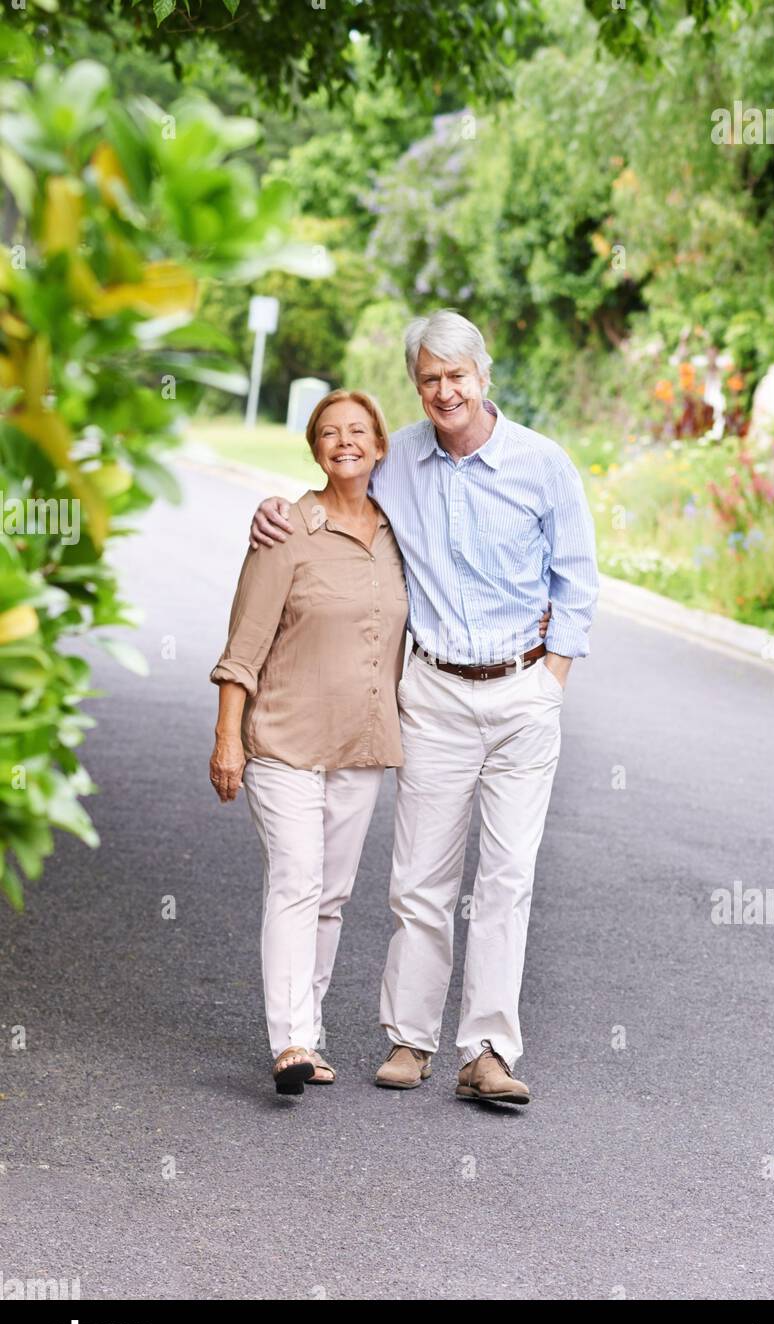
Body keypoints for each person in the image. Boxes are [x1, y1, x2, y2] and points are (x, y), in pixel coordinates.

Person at [250, 309, 599, 1105]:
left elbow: (576, 581)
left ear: (484, 377)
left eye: (457, 377)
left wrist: (551, 682)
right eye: (430, 379)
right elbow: (330, 495)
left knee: (507, 877)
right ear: (418, 386)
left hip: (521, 692)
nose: (445, 392)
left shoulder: (543, 465)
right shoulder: (398, 458)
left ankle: (486, 1051)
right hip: (435, 693)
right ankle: (410, 1040)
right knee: (420, 881)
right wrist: (271, 513)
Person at [209, 390, 408, 1096]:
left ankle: (311, 1032)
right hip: (284, 741)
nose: (344, 442)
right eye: (329, 432)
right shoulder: (285, 529)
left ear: (381, 446)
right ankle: (289, 1039)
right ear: (315, 448)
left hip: (361, 743)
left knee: (332, 894)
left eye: (358, 431)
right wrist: (227, 736)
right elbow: (244, 645)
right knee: (297, 880)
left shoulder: (398, 531)